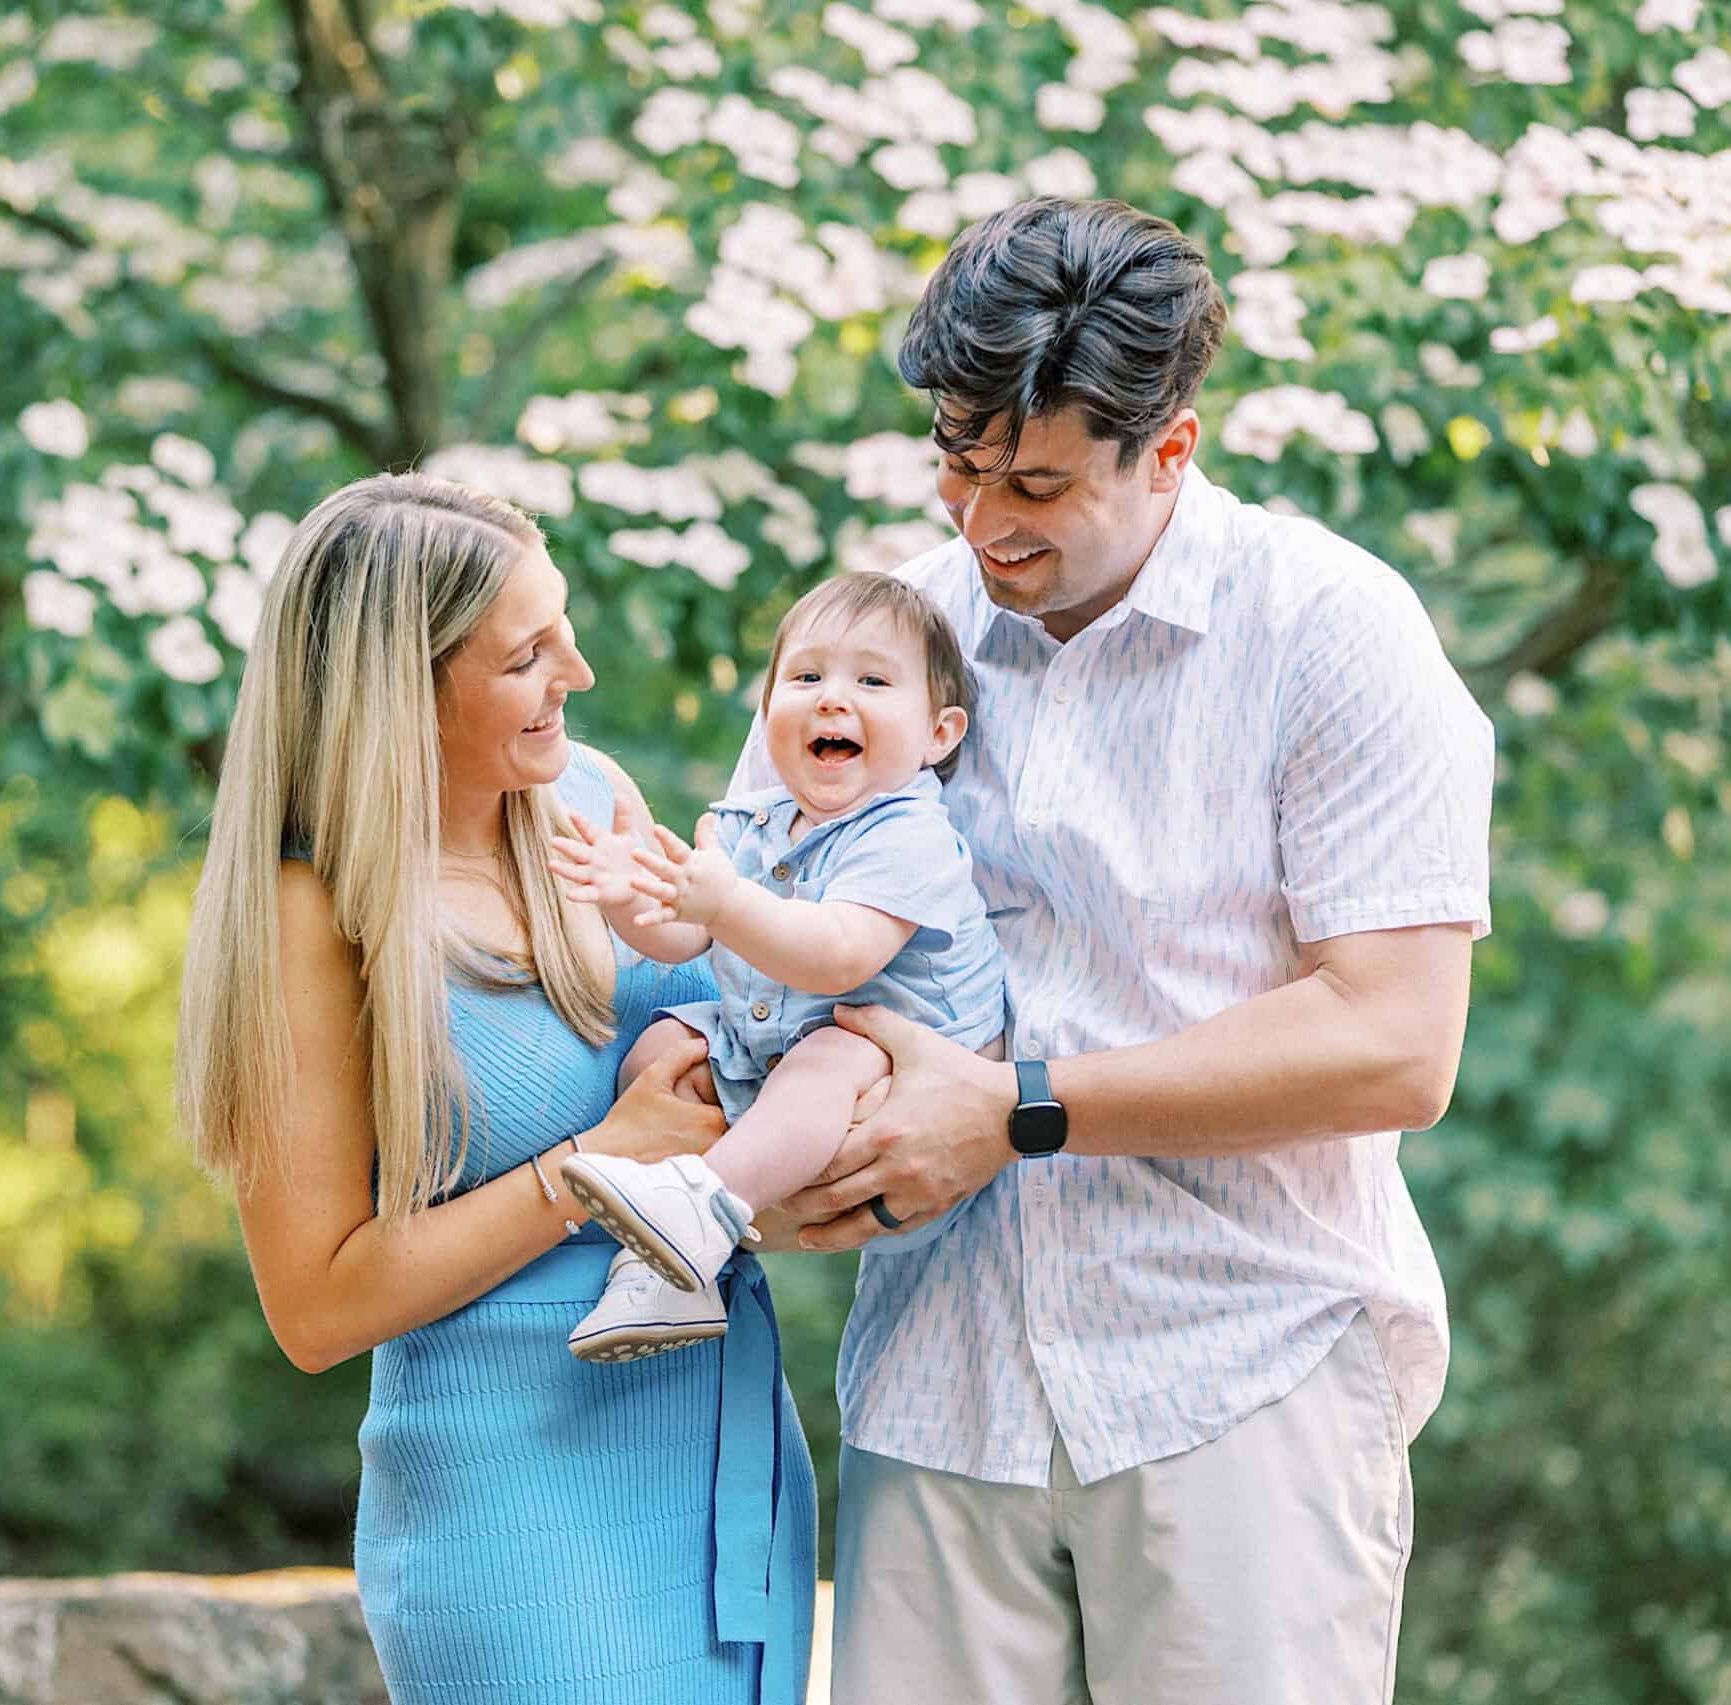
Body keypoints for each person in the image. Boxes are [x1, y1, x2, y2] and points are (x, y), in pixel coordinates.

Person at [765, 197, 1496, 1702]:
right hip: (934, 1383)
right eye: (958, 466)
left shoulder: (1334, 630)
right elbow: (764, 915)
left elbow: (1396, 1043)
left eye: (1036, 481)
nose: (982, 522)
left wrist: (1020, 1105)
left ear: (1169, 448)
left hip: (1241, 1371)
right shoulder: (883, 639)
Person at [175, 472, 815, 1704]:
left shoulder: (587, 798)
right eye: (528, 653)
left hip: (718, 1439)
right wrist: (593, 1170)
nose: (574, 671)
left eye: (560, 626)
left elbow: (725, 1029)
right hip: (514, 1493)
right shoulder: (309, 911)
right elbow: (313, 1308)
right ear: (402, 690)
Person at [545, 572, 1007, 1362]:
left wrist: (723, 904)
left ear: (939, 732)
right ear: (767, 716)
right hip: (777, 1048)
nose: (832, 698)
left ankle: (704, 1210)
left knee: (833, 1055)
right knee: (661, 1048)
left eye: (871, 679)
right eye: (806, 676)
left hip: (899, 1064)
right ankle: (671, 1269)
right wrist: (630, 900)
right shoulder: (748, 825)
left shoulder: (909, 834)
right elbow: (683, 942)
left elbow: (838, 957)